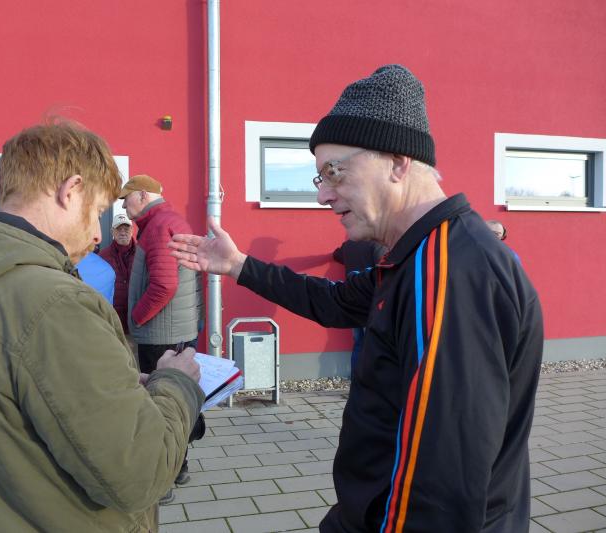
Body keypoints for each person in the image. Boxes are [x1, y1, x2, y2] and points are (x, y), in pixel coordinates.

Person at [170, 65, 543, 532]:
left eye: (335, 172)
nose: (323, 195)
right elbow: (335, 302)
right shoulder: (416, 256)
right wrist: (239, 265)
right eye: (319, 178)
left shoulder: (449, 272)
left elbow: (443, 481)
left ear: (398, 162)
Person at [0, 120, 204, 532]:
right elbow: (141, 473)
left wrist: (112, 384)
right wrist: (176, 384)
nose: (96, 236)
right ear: (71, 190)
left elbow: (11, 397)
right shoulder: (54, 303)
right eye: (97, 213)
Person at [120, 173, 204, 498]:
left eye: (126, 198)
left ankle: (163, 481)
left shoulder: (157, 227)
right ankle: (179, 467)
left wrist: (136, 318)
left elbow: (164, 285)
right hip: (177, 329)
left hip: (160, 334)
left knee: (159, 403)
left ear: (143, 195)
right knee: (178, 396)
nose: (123, 206)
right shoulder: (171, 220)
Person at [332, 239, 386, 374]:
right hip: (370, 300)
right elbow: (384, 268)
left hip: (352, 300)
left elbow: (336, 255)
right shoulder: (377, 245)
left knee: (358, 343)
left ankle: (356, 378)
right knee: (372, 344)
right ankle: (369, 380)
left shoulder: (348, 245)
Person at [99, 213, 137, 333]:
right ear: (112, 232)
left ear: (132, 231)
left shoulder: (142, 254)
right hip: (113, 321)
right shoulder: (103, 256)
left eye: (126, 229)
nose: (122, 232)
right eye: (118, 229)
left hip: (138, 319)